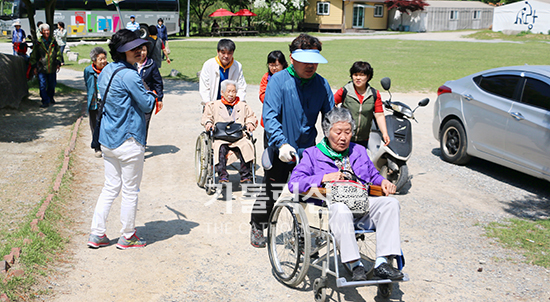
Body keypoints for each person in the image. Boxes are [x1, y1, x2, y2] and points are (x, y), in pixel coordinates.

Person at [288, 107, 404, 282]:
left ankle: (382, 264)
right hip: (329, 211)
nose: (343, 137)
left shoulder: (358, 151)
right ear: (327, 132)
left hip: (360, 204)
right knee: (341, 209)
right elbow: (294, 183)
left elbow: (372, 175)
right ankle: (355, 264)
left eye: (348, 132)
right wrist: (324, 177)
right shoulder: (312, 154)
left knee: (390, 204)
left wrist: (383, 182)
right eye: (338, 132)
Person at [249, 33, 334, 248]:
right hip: (281, 148)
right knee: (272, 190)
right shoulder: (278, 81)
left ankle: (304, 232)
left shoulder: (322, 85)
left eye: (314, 61)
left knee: (309, 193)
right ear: (292, 58)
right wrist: (281, 143)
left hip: (308, 150)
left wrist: (332, 146)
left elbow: (330, 119)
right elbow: (269, 116)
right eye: (305, 61)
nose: (310, 66)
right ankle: (258, 224)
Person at [86, 29, 155, 250]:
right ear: (121, 52)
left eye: (140, 47)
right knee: (130, 190)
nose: (139, 51)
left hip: (108, 140)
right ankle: (127, 235)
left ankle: (97, 234)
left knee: (110, 187)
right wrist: (152, 95)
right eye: (133, 49)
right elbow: (146, 104)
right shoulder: (130, 75)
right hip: (129, 140)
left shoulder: (107, 70)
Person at [201, 80, 257, 185]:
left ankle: (246, 177)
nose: (231, 94)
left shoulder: (243, 105)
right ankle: (223, 177)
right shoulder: (213, 105)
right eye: (228, 91)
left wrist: (250, 123)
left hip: (239, 137)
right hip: (221, 138)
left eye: (234, 91)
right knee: (220, 148)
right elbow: (206, 117)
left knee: (246, 145)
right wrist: (208, 123)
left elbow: (251, 117)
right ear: (222, 92)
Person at [334, 61, 390, 148]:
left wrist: (385, 133)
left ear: (368, 77)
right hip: (344, 138)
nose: (358, 78)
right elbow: (332, 103)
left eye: (362, 75)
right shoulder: (345, 91)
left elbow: (379, 115)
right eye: (355, 75)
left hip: (363, 139)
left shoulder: (374, 94)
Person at [199, 39, 246, 105]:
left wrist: (240, 103)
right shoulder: (208, 65)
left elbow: (241, 87)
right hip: (212, 102)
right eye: (223, 53)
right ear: (218, 52)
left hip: (231, 104)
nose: (226, 56)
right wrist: (208, 103)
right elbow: (204, 87)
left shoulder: (237, 66)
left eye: (229, 53)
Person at [258, 50, 288, 148]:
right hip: (270, 113)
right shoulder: (266, 77)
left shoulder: (288, 77)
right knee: (268, 145)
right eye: (271, 65)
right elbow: (262, 95)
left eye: (276, 65)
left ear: (283, 64)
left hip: (285, 116)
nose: (274, 68)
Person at [84, 47, 109, 158]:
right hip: (94, 101)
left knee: (107, 124)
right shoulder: (88, 71)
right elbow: (87, 84)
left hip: (107, 101)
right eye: (100, 59)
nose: (103, 61)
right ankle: (97, 147)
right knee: (95, 124)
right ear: (94, 61)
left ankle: (107, 146)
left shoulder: (109, 69)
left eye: (104, 58)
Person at [29, 23, 62, 108]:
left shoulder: (53, 41)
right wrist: (34, 67)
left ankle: (50, 97)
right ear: (41, 32)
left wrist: (58, 62)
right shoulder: (38, 43)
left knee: (52, 85)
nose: (47, 32)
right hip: (41, 68)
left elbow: (58, 52)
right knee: (42, 85)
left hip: (52, 67)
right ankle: (45, 101)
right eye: (45, 31)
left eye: (48, 30)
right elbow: (33, 56)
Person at [137, 44, 164, 140]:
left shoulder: (151, 64)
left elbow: (158, 82)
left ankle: (142, 144)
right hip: (133, 99)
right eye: (139, 50)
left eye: (144, 50)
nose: (142, 53)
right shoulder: (131, 64)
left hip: (147, 99)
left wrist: (159, 98)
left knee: (145, 122)